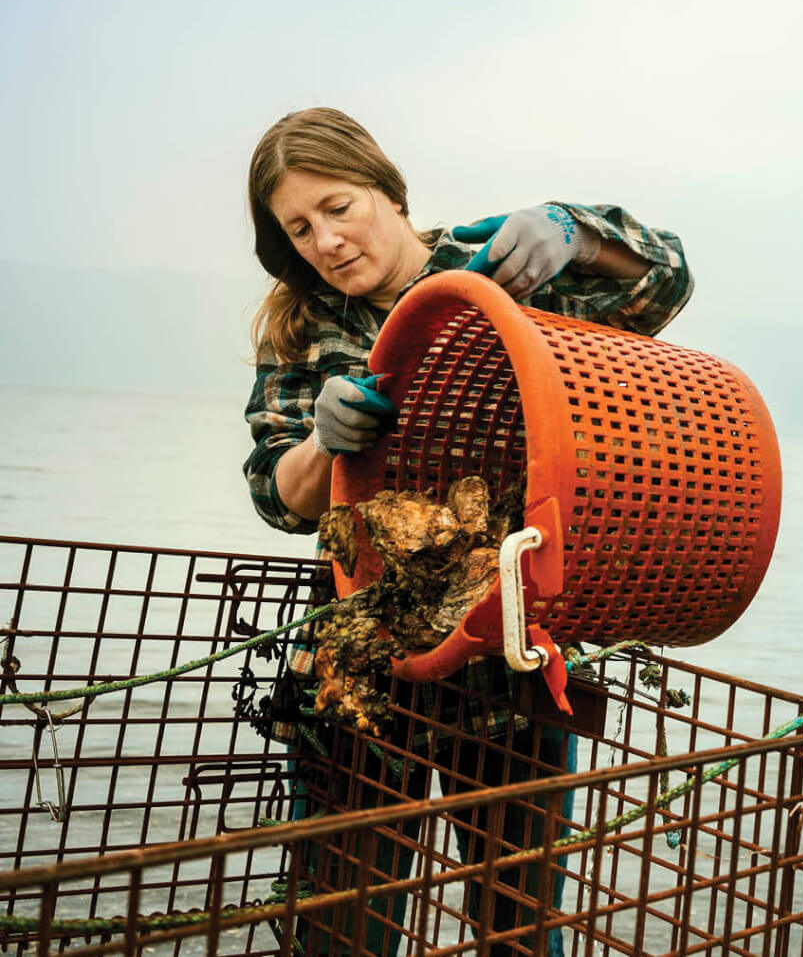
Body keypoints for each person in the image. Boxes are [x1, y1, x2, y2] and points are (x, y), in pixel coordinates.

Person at [243, 107, 693, 956]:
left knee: (516, 928)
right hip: (361, 659)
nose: (326, 242)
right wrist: (320, 442)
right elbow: (278, 492)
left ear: (385, 188)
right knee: (341, 929)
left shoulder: (495, 273)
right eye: (299, 229)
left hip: (510, 643)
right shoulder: (303, 327)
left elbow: (660, 285)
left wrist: (576, 234)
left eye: (338, 206)